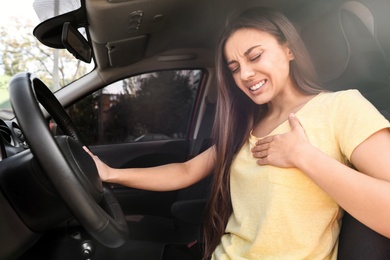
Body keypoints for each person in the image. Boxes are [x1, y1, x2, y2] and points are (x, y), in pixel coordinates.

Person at [84, 7, 390, 260]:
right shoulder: (248, 123)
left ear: (289, 49)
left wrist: (302, 155)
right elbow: (186, 170)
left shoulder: (341, 106)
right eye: (234, 67)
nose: (244, 74)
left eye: (255, 57)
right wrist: (110, 173)